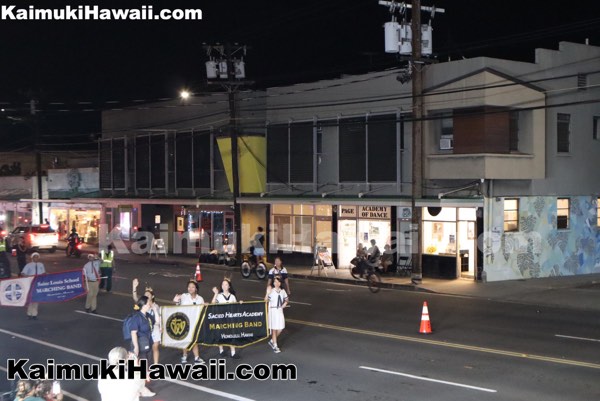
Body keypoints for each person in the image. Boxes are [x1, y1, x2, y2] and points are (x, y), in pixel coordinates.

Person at [173, 280, 205, 364]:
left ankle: (196, 357)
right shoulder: (184, 296)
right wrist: (176, 300)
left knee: (194, 340)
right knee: (185, 339)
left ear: (196, 289)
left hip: (195, 322)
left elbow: (203, 310)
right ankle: (185, 355)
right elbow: (176, 304)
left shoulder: (200, 298)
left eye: (192, 287)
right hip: (184, 321)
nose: (190, 288)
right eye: (189, 287)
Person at [132, 278, 161, 364]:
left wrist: (161, 327)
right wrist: (134, 287)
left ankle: (155, 365)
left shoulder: (156, 306)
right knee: (144, 351)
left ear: (152, 296)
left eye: (148, 295)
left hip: (154, 329)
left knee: (154, 348)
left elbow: (158, 320)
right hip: (144, 332)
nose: (146, 296)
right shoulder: (140, 311)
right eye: (145, 295)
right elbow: (135, 298)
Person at [211, 278, 240, 359]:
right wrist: (215, 294)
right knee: (220, 334)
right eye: (223, 284)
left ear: (229, 286)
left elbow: (236, 306)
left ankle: (233, 352)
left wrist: (240, 303)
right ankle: (221, 350)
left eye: (226, 284)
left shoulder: (232, 296)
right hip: (221, 318)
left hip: (230, 318)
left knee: (231, 334)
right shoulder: (219, 296)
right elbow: (212, 304)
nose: (224, 286)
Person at [265, 276, 288, 353]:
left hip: (280, 311)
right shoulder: (271, 291)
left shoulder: (282, 291)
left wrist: (285, 303)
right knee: (274, 329)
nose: (276, 283)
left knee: (281, 328)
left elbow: (286, 299)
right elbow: (265, 300)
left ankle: (272, 340)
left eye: (278, 282)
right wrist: (267, 293)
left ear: (280, 283)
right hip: (273, 311)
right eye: (275, 282)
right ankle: (275, 345)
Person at [22, 252, 45, 320]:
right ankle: (29, 313)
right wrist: (28, 276)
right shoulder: (28, 265)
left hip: (38, 283)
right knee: (31, 298)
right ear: (32, 258)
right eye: (35, 257)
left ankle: (34, 314)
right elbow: (23, 273)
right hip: (31, 283)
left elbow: (43, 273)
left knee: (36, 299)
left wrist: (43, 276)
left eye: (37, 257)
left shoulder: (41, 264)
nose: (36, 258)